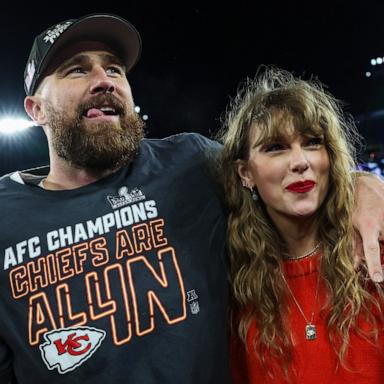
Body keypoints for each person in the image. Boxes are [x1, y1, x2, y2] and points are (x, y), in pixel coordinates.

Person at [0, 12, 383, 384]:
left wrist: (362, 185)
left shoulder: (190, 162)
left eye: (115, 68)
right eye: (77, 69)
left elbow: (276, 167)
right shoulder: (6, 216)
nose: (104, 80)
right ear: (35, 110)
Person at [218, 67, 384, 383]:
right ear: (245, 173)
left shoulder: (374, 251)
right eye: (275, 147)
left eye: (311, 142)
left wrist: (365, 181)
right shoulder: (234, 287)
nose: (299, 162)